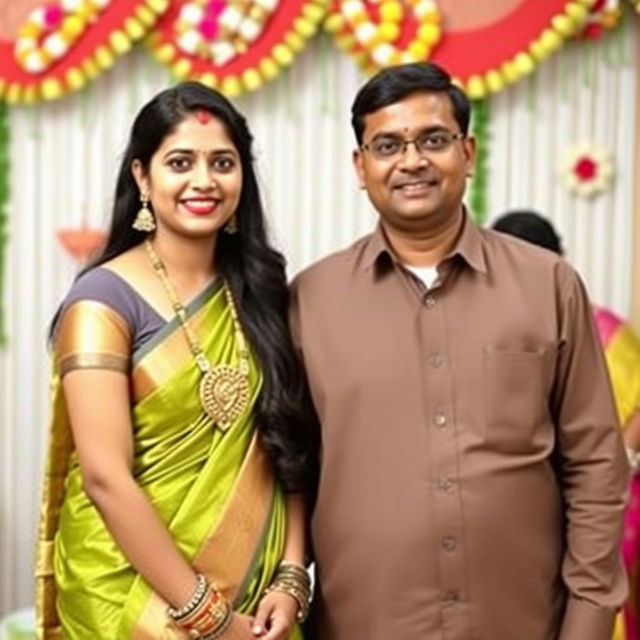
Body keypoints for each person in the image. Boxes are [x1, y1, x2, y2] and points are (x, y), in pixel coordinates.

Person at [290, 62, 629, 640]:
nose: (412, 160)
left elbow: (596, 465)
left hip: (524, 622)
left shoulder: (548, 284)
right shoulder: (309, 301)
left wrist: (589, 622)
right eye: (387, 144)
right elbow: (287, 471)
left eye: (434, 139)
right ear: (360, 165)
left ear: (467, 152)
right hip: (364, 624)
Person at [35, 81, 314, 640]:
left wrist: (290, 577)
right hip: (126, 597)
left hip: (256, 600)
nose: (204, 181)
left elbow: (287, 441)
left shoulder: (262, 291)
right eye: (180, 162)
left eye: (223, 163)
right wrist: (207, 617)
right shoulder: (102, 301)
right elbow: (104, 477)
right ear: (143, 176)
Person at [492, 210, 640, 640]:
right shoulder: (489, 329)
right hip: (526, 495)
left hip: (605, 497)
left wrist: (620, 461)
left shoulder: (604, 328)